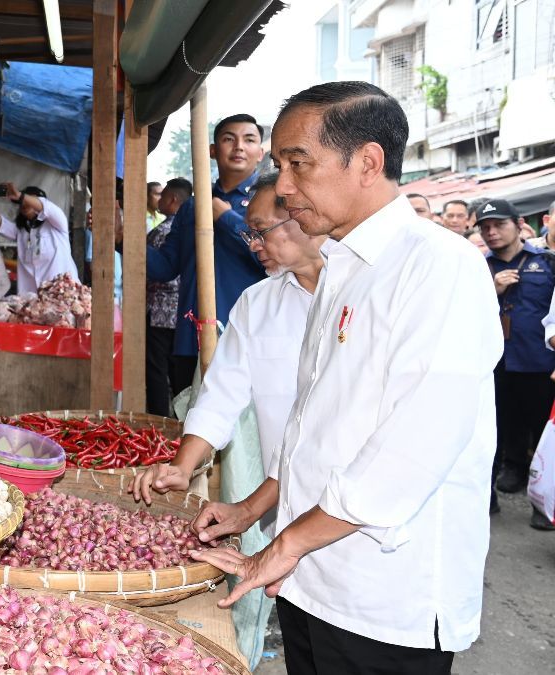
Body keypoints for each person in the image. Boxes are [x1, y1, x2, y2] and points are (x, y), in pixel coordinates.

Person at [193, 81, 501, 674]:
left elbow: (412, 451)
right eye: (280, 165)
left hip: (384, 597)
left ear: (367, 162)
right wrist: (258, 513)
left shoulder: (439, 266)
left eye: (298, 164)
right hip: (311, 578)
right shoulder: (339, 268)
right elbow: (317, 429)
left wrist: (284, 543)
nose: (283, 187)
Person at [133, 170, 323, 507]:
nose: (253, 244)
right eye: (251, 233)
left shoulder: (363, 291)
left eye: (261, 231)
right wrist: (182, 466)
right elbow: (220, 394)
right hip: (281, 502)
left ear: (302, 217)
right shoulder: (256, 303)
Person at [147, 114, 267, 397]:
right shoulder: (190, 207)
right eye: (228, 139)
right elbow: (165, 267)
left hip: (245, 340)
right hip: (190, 339)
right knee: (188, 421)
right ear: (212, 151)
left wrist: (227, 218)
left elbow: (269, 256)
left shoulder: (270, 200)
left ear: (260, 153)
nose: (238, 146)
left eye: (249, 140)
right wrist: (122, 240)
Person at [480, 198, 555, 502]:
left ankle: (545, 491)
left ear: (520, 223)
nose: (492, 232)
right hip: (496, 362)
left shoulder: (547, 261)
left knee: (542, 429)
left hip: (539, 361)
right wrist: (491, 290)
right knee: (501, 424)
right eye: (485, 228)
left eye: (499, 225)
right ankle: (513, 468)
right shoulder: (478, 265)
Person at [146, 177, 191, 416]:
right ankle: (176, 416)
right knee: (176, 371)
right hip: (179, 314)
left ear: (173, 199)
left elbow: (159, 268)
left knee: (156, 369)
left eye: (162, 195)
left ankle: (159, 417)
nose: (159, 200)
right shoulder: (183, 227)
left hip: (160, 313)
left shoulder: (164, 230)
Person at [0, 182, 78, 294]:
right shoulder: (23, 231)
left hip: (63, 295)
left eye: (29, 201)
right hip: (32, 300)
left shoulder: (57, 223)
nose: (24, 204)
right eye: (22, 203)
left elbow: (46, 207)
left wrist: (20, 196)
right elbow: (0, 225)